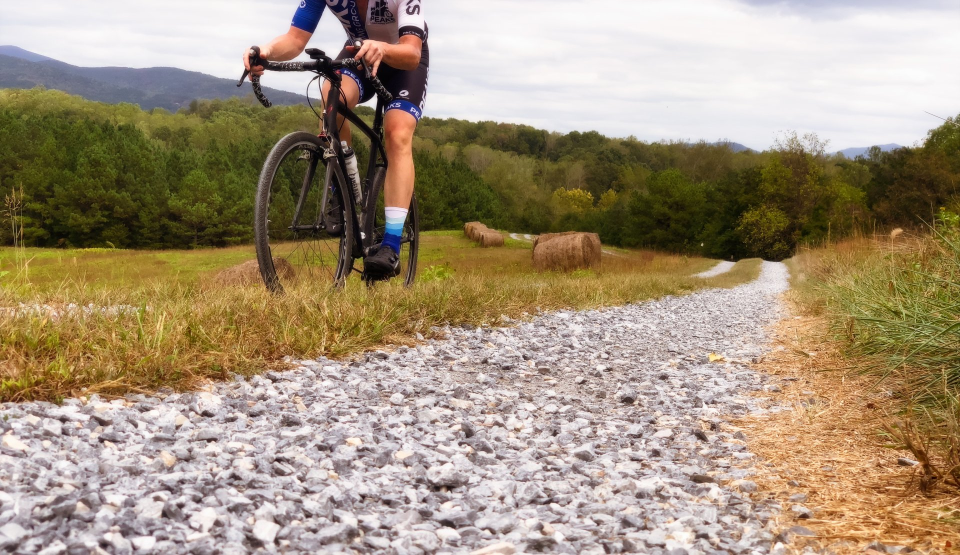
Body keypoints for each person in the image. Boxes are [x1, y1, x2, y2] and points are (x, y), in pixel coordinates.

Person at [243, 0, 428, 278]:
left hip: (402, 61)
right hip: (360, 54)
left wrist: (385, 48)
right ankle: (345, 191)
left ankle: (390, 246)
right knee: (332, 93)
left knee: (397, 133)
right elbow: (294, 39)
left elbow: (412, 52)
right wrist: (266, 50)